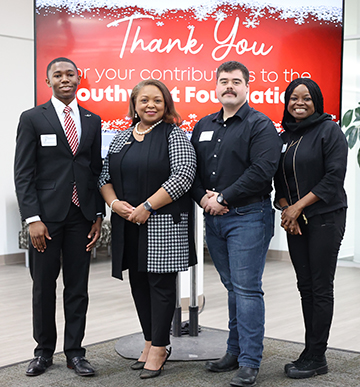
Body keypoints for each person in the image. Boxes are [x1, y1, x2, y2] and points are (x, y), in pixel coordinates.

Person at [191, 61, 282, 387]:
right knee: (233, 288)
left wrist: (223, 197)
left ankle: (249, 361)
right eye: (224, 81)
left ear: (247, 86)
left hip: (248, 218)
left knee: (246, 290)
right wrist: (203, 198)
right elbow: (193, 171)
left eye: (236, 81)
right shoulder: (203, 124)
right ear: (216, 86)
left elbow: (262, 171)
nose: (229, 86)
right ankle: (234, 350)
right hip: (214, 220)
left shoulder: (261, 125)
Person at [98, 79, 197, 379]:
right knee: (138, 284)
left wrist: (147, 207)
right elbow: (104, 176)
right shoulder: (120, 138)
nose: (150, 105)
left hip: (163, 225)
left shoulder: (175, 136)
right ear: (134, 104)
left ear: (166, 104)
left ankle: (161, 346)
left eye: (157, 100)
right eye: (144, 100)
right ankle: (149, 340)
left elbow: (184, 176)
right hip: (127, 223)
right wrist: (115, 205)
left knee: (161, 286)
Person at [14, 57, 104, 377]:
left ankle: (75, 352)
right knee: (43, 287)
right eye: (58, 75)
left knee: (77, 287)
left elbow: (95, 171)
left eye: (70, 74)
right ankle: (42, 352)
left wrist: (97, 214)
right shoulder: (32, 118)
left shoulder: (93, 120)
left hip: (81, 217)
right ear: (48, 80)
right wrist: (32, 219)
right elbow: (23, 173)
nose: (65, 79)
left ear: (79, 78)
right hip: (46, 221)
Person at [274, 78, 347, 379]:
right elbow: (279, 181)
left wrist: (298, 206)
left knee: (320, 287)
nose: (299, 103)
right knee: (305, 287)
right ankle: (309, 350)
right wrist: (285, 206)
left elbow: (333, 179)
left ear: (317, 101)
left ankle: (317, 356)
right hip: (296, 221)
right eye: (293, 98)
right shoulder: (285, 137)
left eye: (306, 98)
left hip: (325, 217)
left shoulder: (330, 131)